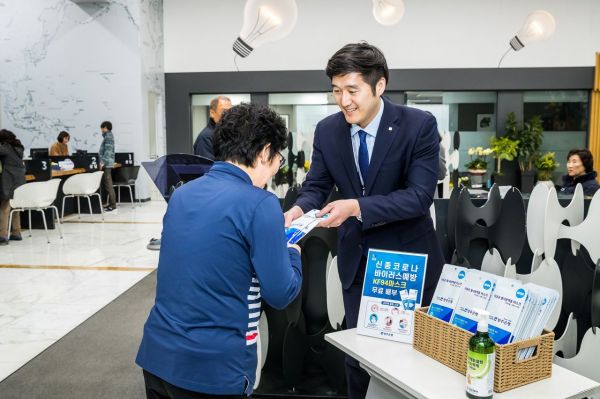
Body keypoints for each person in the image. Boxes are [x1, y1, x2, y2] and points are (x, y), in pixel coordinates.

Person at [284, 42, 444, 399]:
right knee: (360, 358)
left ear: (380, 86)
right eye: (337, 91)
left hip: (408, 264)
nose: (344, 101)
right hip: (359, 265)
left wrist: (355, 207)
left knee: (415, 359)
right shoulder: (328, 131)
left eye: (352, 90)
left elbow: (419, 197)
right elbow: (317, 185)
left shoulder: (418, 125)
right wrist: (299, 209)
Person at [136, 103, 302, 399]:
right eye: (277, 158)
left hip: (158, 357)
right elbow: (280, 293)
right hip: (214, 370)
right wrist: (292, 253)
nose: (277, 166)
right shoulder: (261, 204)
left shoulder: (183, 194)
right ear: (265, 152)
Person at [0, 129, 26, 245]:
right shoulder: (18, 148)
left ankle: (2, 235)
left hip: (9, 178)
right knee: (14, 207)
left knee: (4, 207)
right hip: (20, 180)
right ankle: (16, 232)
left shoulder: (5, 147)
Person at [99, 121, 117, 212]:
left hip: (107, 164)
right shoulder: (108, 136)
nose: (101, 130)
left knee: (108, 185)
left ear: (105, 127)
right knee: (108, 185)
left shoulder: (108, 136)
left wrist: (102, 162)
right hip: (108, 163)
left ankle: (113, 205)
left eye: (101, 128)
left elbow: (108, 151)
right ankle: (111, 204)